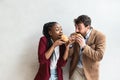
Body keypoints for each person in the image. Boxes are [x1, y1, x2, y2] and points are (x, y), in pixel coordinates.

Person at [69, 15, 106, 80]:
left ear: (88, 27)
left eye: (79, 28)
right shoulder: (73, 35)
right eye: (75, 27)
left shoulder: (100, 36)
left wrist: (84, 46)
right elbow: (69, 55)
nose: (76, 30)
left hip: (91, 72)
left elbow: (99, 56)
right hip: (76, 69)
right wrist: (69, 45)